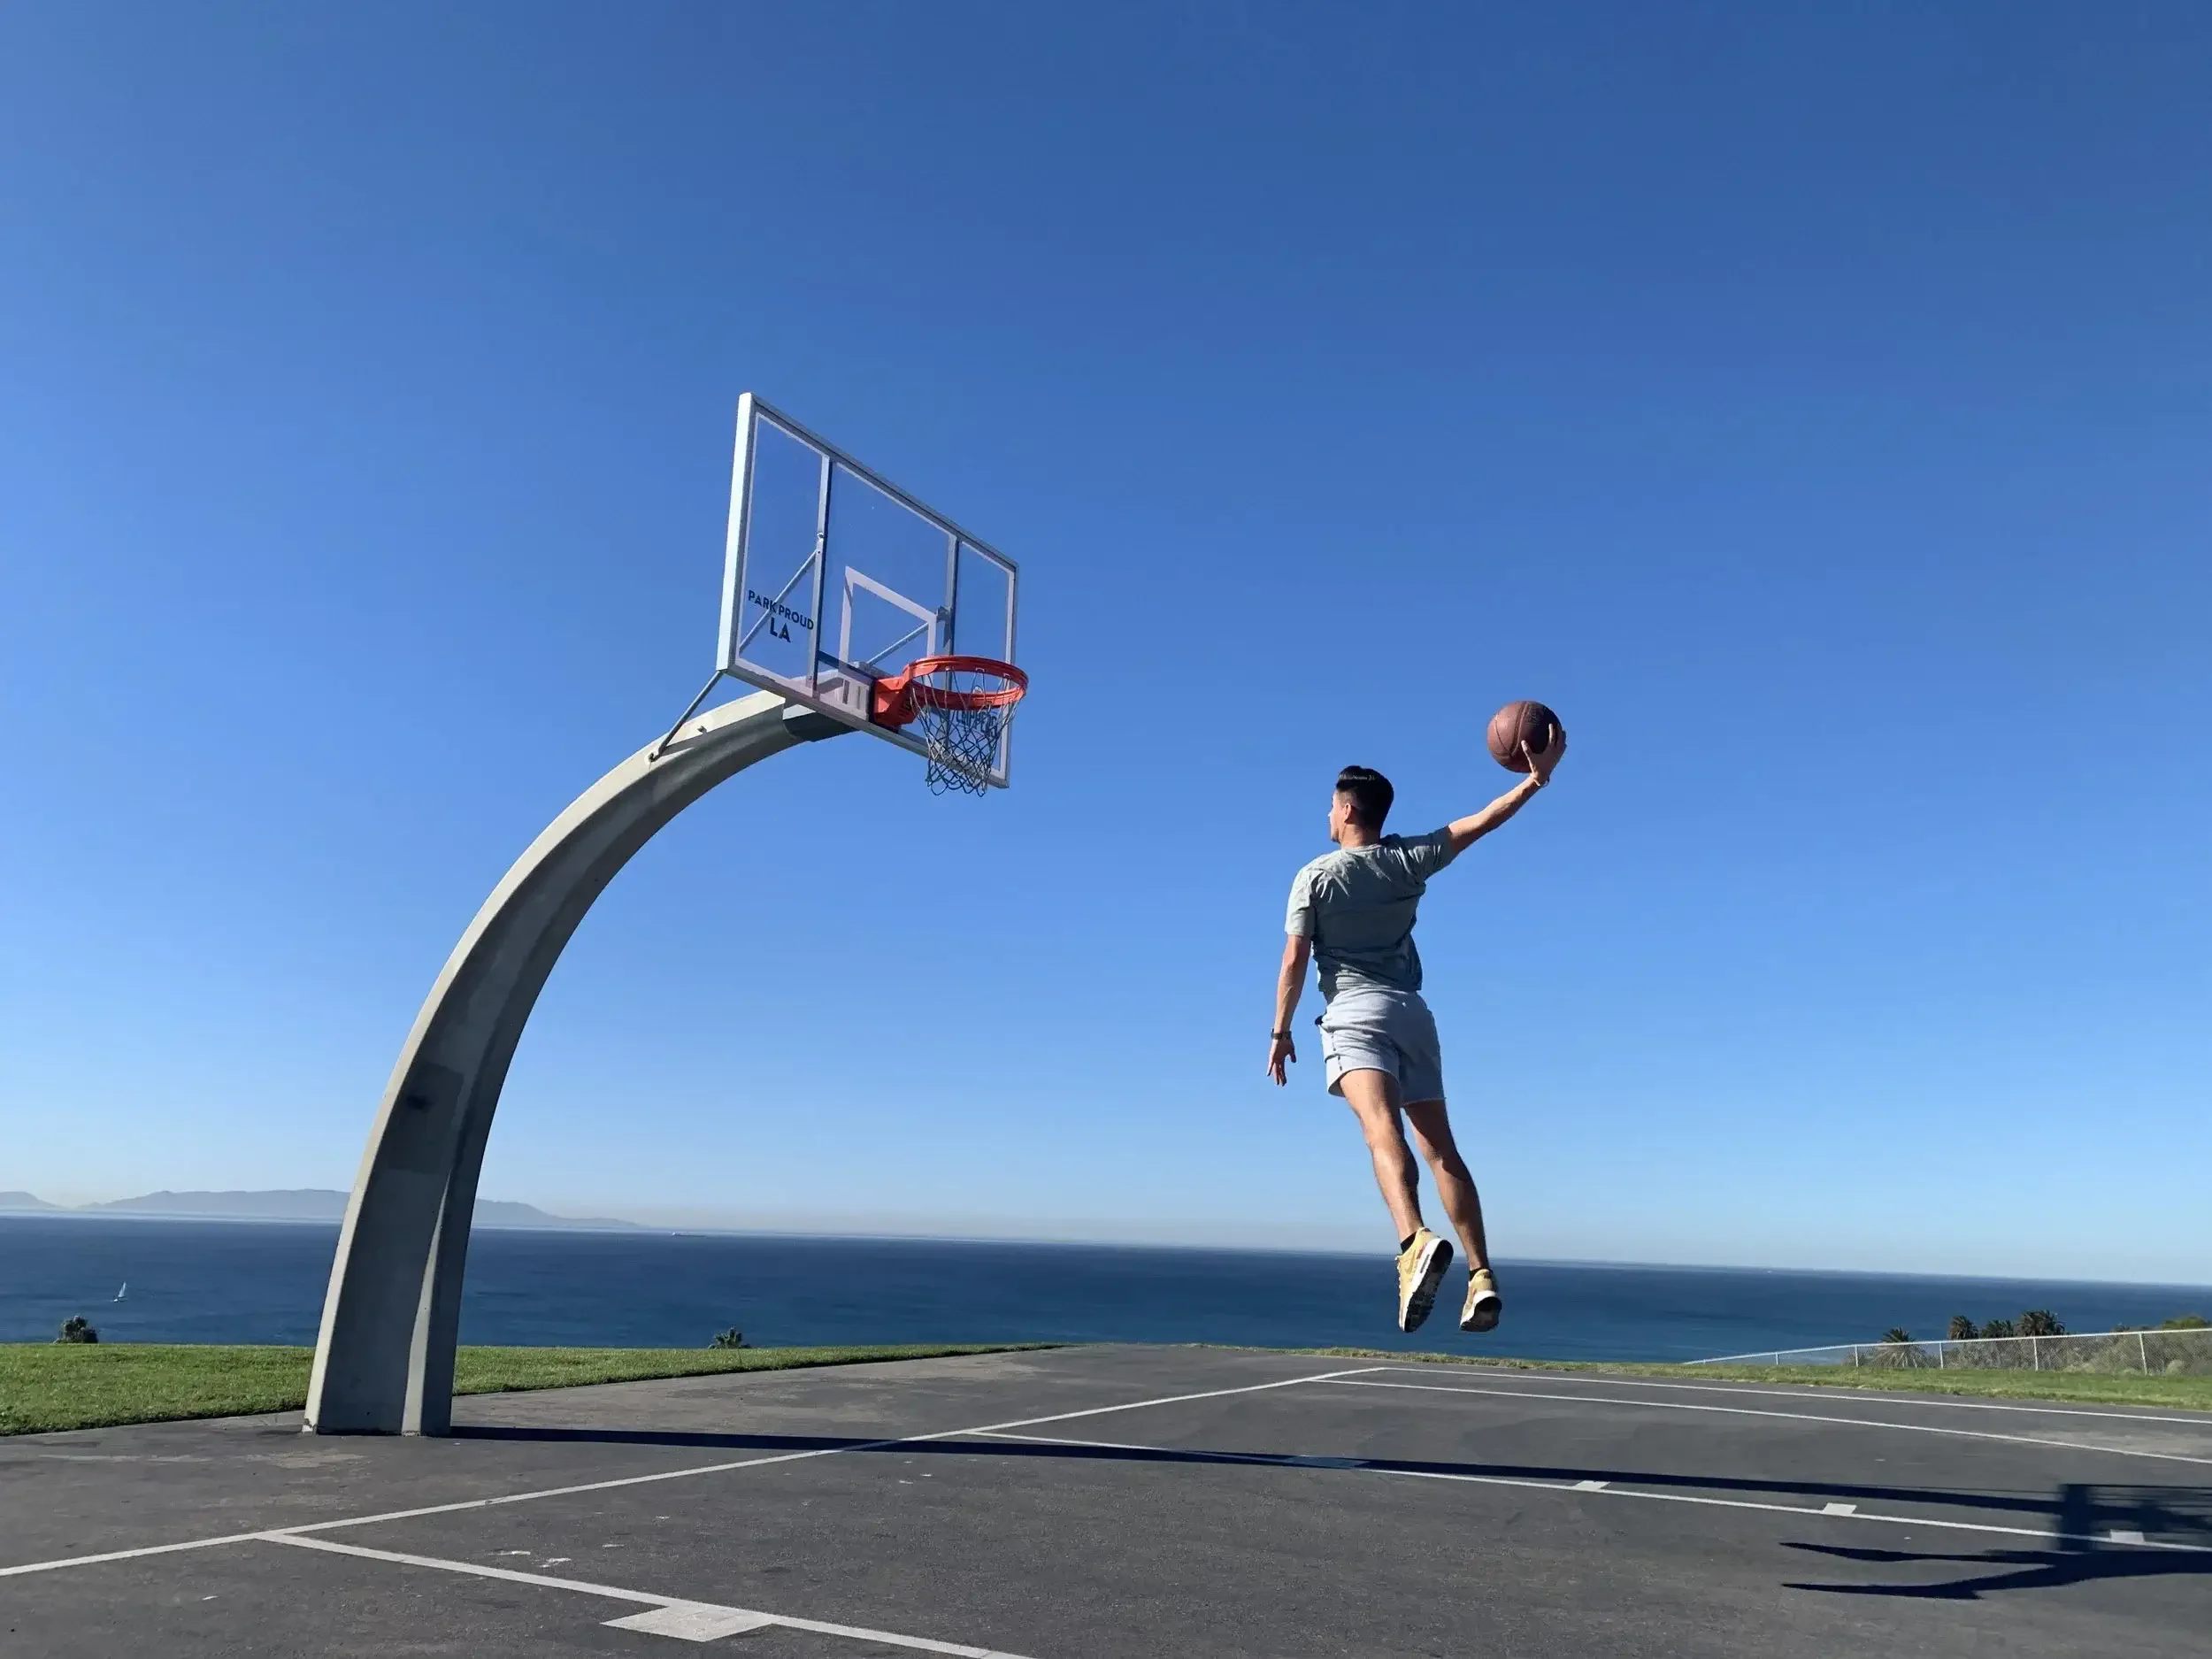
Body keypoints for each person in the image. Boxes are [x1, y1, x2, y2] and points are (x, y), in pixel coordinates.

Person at [1266, 735, 1563, 1333]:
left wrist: (1279, 1030)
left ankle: (1413, 1242)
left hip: (1354, 1011)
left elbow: (1295, 958)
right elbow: (1481, 822)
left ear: (1348, 809)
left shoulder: (1314, 876)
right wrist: (1535, 780)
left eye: (1330, 804)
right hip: (1412, 1012)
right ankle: (1481, 1274)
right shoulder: (1407, 859)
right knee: (1441, 1148)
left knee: (1381, 1129)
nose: (1327, 814)